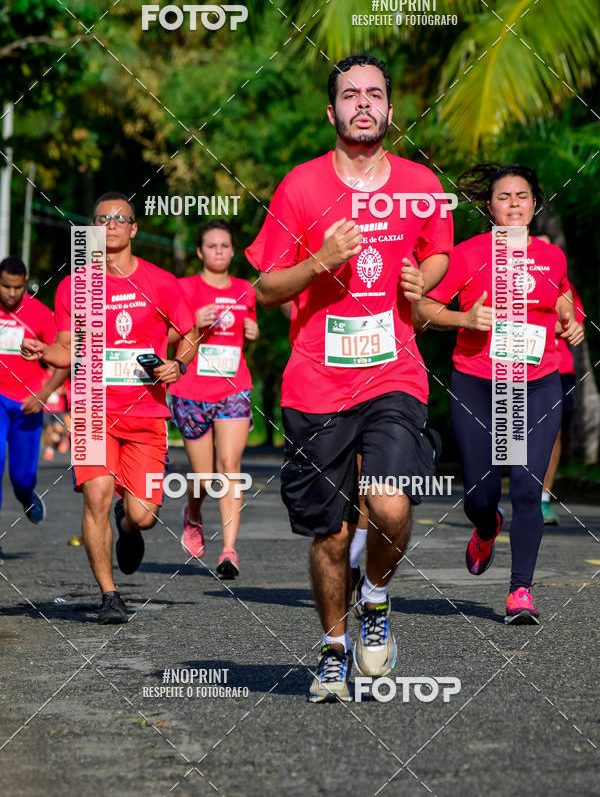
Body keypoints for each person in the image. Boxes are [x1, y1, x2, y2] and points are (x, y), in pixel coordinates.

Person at [246, 54, 453, 702]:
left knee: (391, 501)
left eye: (374, 94)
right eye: (350, 95)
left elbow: (438, 246)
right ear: (331, 111)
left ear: (391, 110)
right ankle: (334, 649)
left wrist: (429, 277)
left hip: (393, 370)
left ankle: (378, 598)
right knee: (330, 532)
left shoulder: (421, 181)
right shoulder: (300, 187)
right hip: (316, 383)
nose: (363, 104)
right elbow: (264, 286)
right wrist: (319, 261)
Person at [416, 163, 583, 624]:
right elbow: (421, 311)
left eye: (522, 196)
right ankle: (486, 528)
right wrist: (465, 320)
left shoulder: (551, 257)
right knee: (480, 497)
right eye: (504, 197)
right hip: (478, 383)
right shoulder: (468, 255)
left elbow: (563, 295)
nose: (514, 204)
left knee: (529, 489)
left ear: (535, 204)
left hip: (537, 382)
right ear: (489, 206)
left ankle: (520, 592)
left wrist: (573, 319)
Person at [22, 193, 197, 623]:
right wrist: (43, 350)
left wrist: (177, 363)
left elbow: (190, 333)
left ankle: (128, 523)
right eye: (103, 219)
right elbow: (69, 351)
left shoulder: (161, 282)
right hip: (93, 412)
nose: (112, 224)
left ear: (134, 229)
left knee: (143, 515)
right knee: (96, 497)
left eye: (121, 218)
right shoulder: (73, 287)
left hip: (146, 417)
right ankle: (110, 595)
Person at [169, 220, 259, 579]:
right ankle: (193, 512)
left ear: (233, 251)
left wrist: (253, 331)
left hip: (233, 387)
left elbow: (248, 328)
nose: (219, 251)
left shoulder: (245, 290)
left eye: (225, 246)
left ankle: (229, 551)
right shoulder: (183, 287)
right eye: (212, 246)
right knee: (205, 478)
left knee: (229, 466)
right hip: (192, 390)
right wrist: (191, 320)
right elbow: (166, 331)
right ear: (200, 252)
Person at [0, 256, 69, 563]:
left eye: (17, 287)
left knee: (23, 476)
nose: (11, 293)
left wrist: (44, 393)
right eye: (5, 286)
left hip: (28, 404)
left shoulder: (40, 315)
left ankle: (26, 495)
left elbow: (63, 358)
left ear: (26, 283)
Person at [536, 237, 586, 525]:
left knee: (552, 433)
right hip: (511, 367)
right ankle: (516, 492)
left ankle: (542, 499)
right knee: (515, 431)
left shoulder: (563, 285)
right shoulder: (507, 281)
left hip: (557, 366)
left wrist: (535, 322)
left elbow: (573, 324)